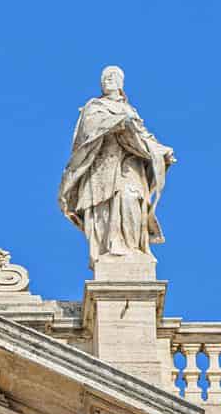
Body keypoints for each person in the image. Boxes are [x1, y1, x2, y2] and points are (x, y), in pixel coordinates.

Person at [58, 67, 176, 266]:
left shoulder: (130, 110)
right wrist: (118, 122)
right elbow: (88, 130)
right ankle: (110, 249)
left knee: (131, 200)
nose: (108, 80)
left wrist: (161, 151)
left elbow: (144, 136)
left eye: (113, 77)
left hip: (130, 167)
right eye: (105, 77)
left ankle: (132, 248)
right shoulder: (94, 106)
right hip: (103, 166)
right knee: (105, 209)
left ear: (121, 83)